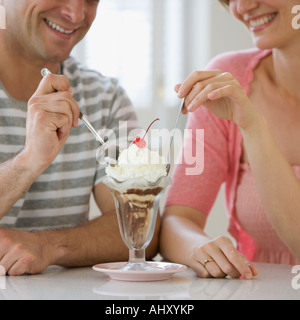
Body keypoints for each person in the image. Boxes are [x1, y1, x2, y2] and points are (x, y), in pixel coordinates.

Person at [0, 0, 160, 276]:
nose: (75, 14)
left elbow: (141, 228)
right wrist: (28, 162)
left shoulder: (105, 97)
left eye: (90, 0)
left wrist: (47, 246)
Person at [160, 0, 300, 279]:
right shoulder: (227, 79)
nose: (243, 6)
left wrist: (253, 125)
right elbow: (178, 217)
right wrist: (198, 246)